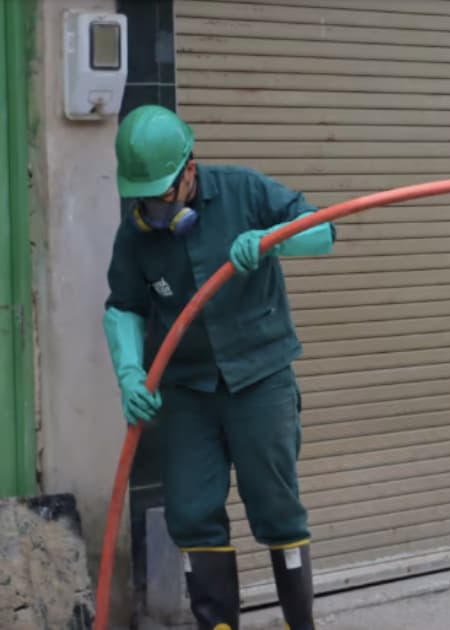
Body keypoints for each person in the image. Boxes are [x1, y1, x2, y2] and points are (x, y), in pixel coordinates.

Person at [102, 104, 335, 630]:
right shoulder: (136, 235)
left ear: (189, 169)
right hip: (187, 391)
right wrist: (130, 373)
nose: (153, 210)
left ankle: (300, 624)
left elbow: (324, 231)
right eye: (143, 198)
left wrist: (273, 240)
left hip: (260, 379)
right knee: (190, 512)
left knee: (276, 506)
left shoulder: (243, 190)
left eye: (162, 196)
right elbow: (124, 307)